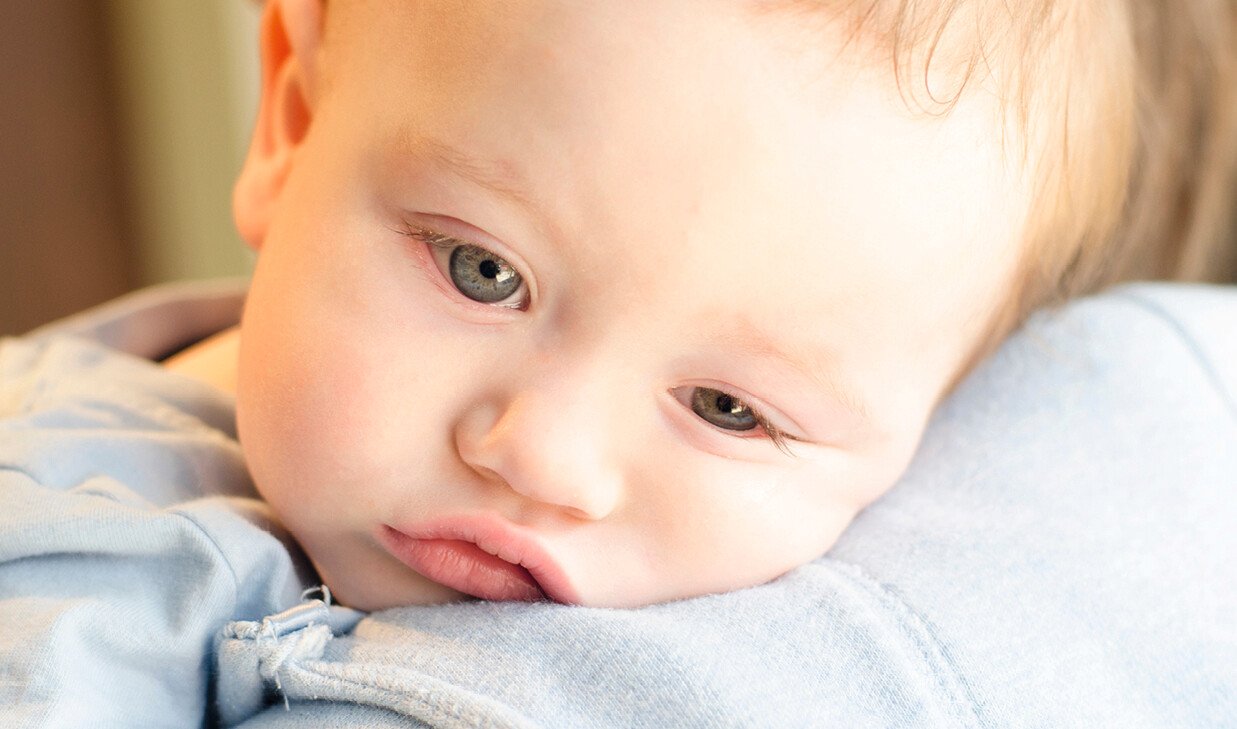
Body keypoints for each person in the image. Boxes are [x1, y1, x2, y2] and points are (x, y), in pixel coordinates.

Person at [1, 0, 1233, 725]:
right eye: (483, 273)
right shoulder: (66, 551)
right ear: (296, 115)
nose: (545, 456)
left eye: (725, 408)